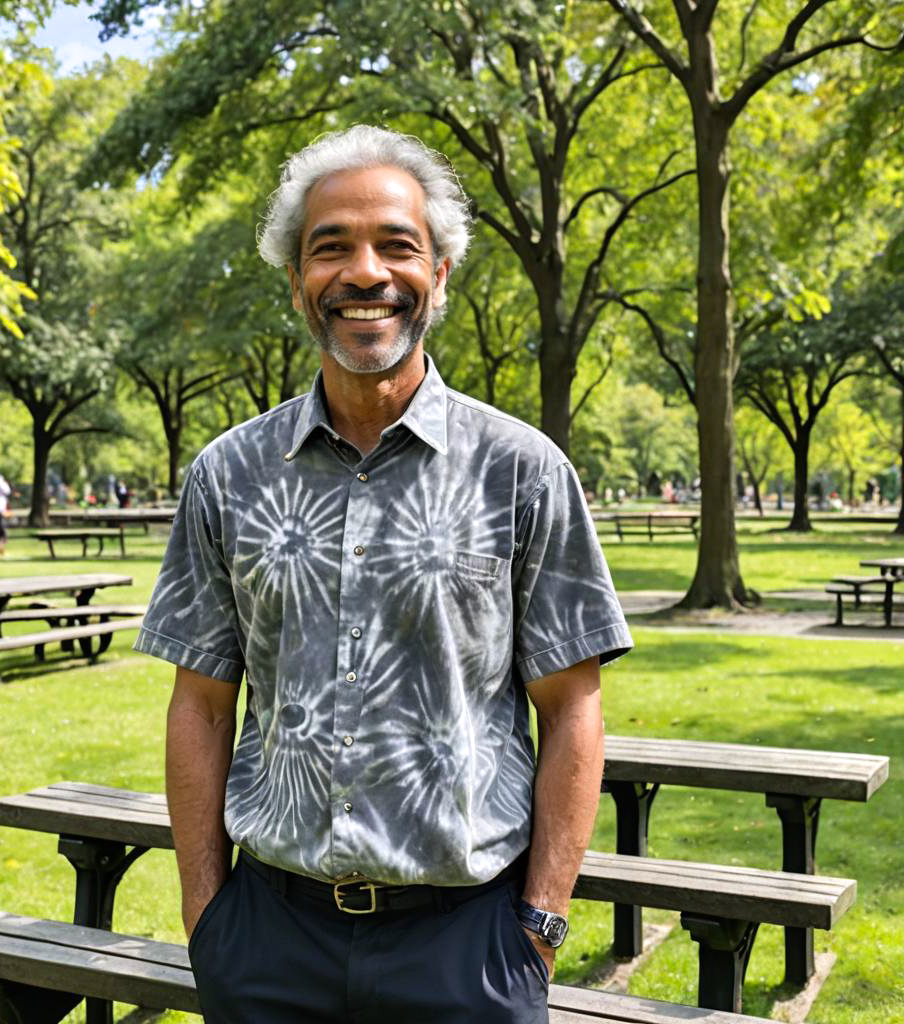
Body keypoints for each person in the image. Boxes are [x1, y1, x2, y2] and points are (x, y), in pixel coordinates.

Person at [134, 125, 632, 1024]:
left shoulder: (523, 472)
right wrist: (208, 916)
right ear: (296, 282)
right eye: (331, 247)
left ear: (439, 274)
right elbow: (201, 704)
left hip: (467, 948)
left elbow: (572, 707)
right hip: (267, 944)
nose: (365, 272)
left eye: (397, 244)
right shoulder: (227, 475)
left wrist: (541, 926)